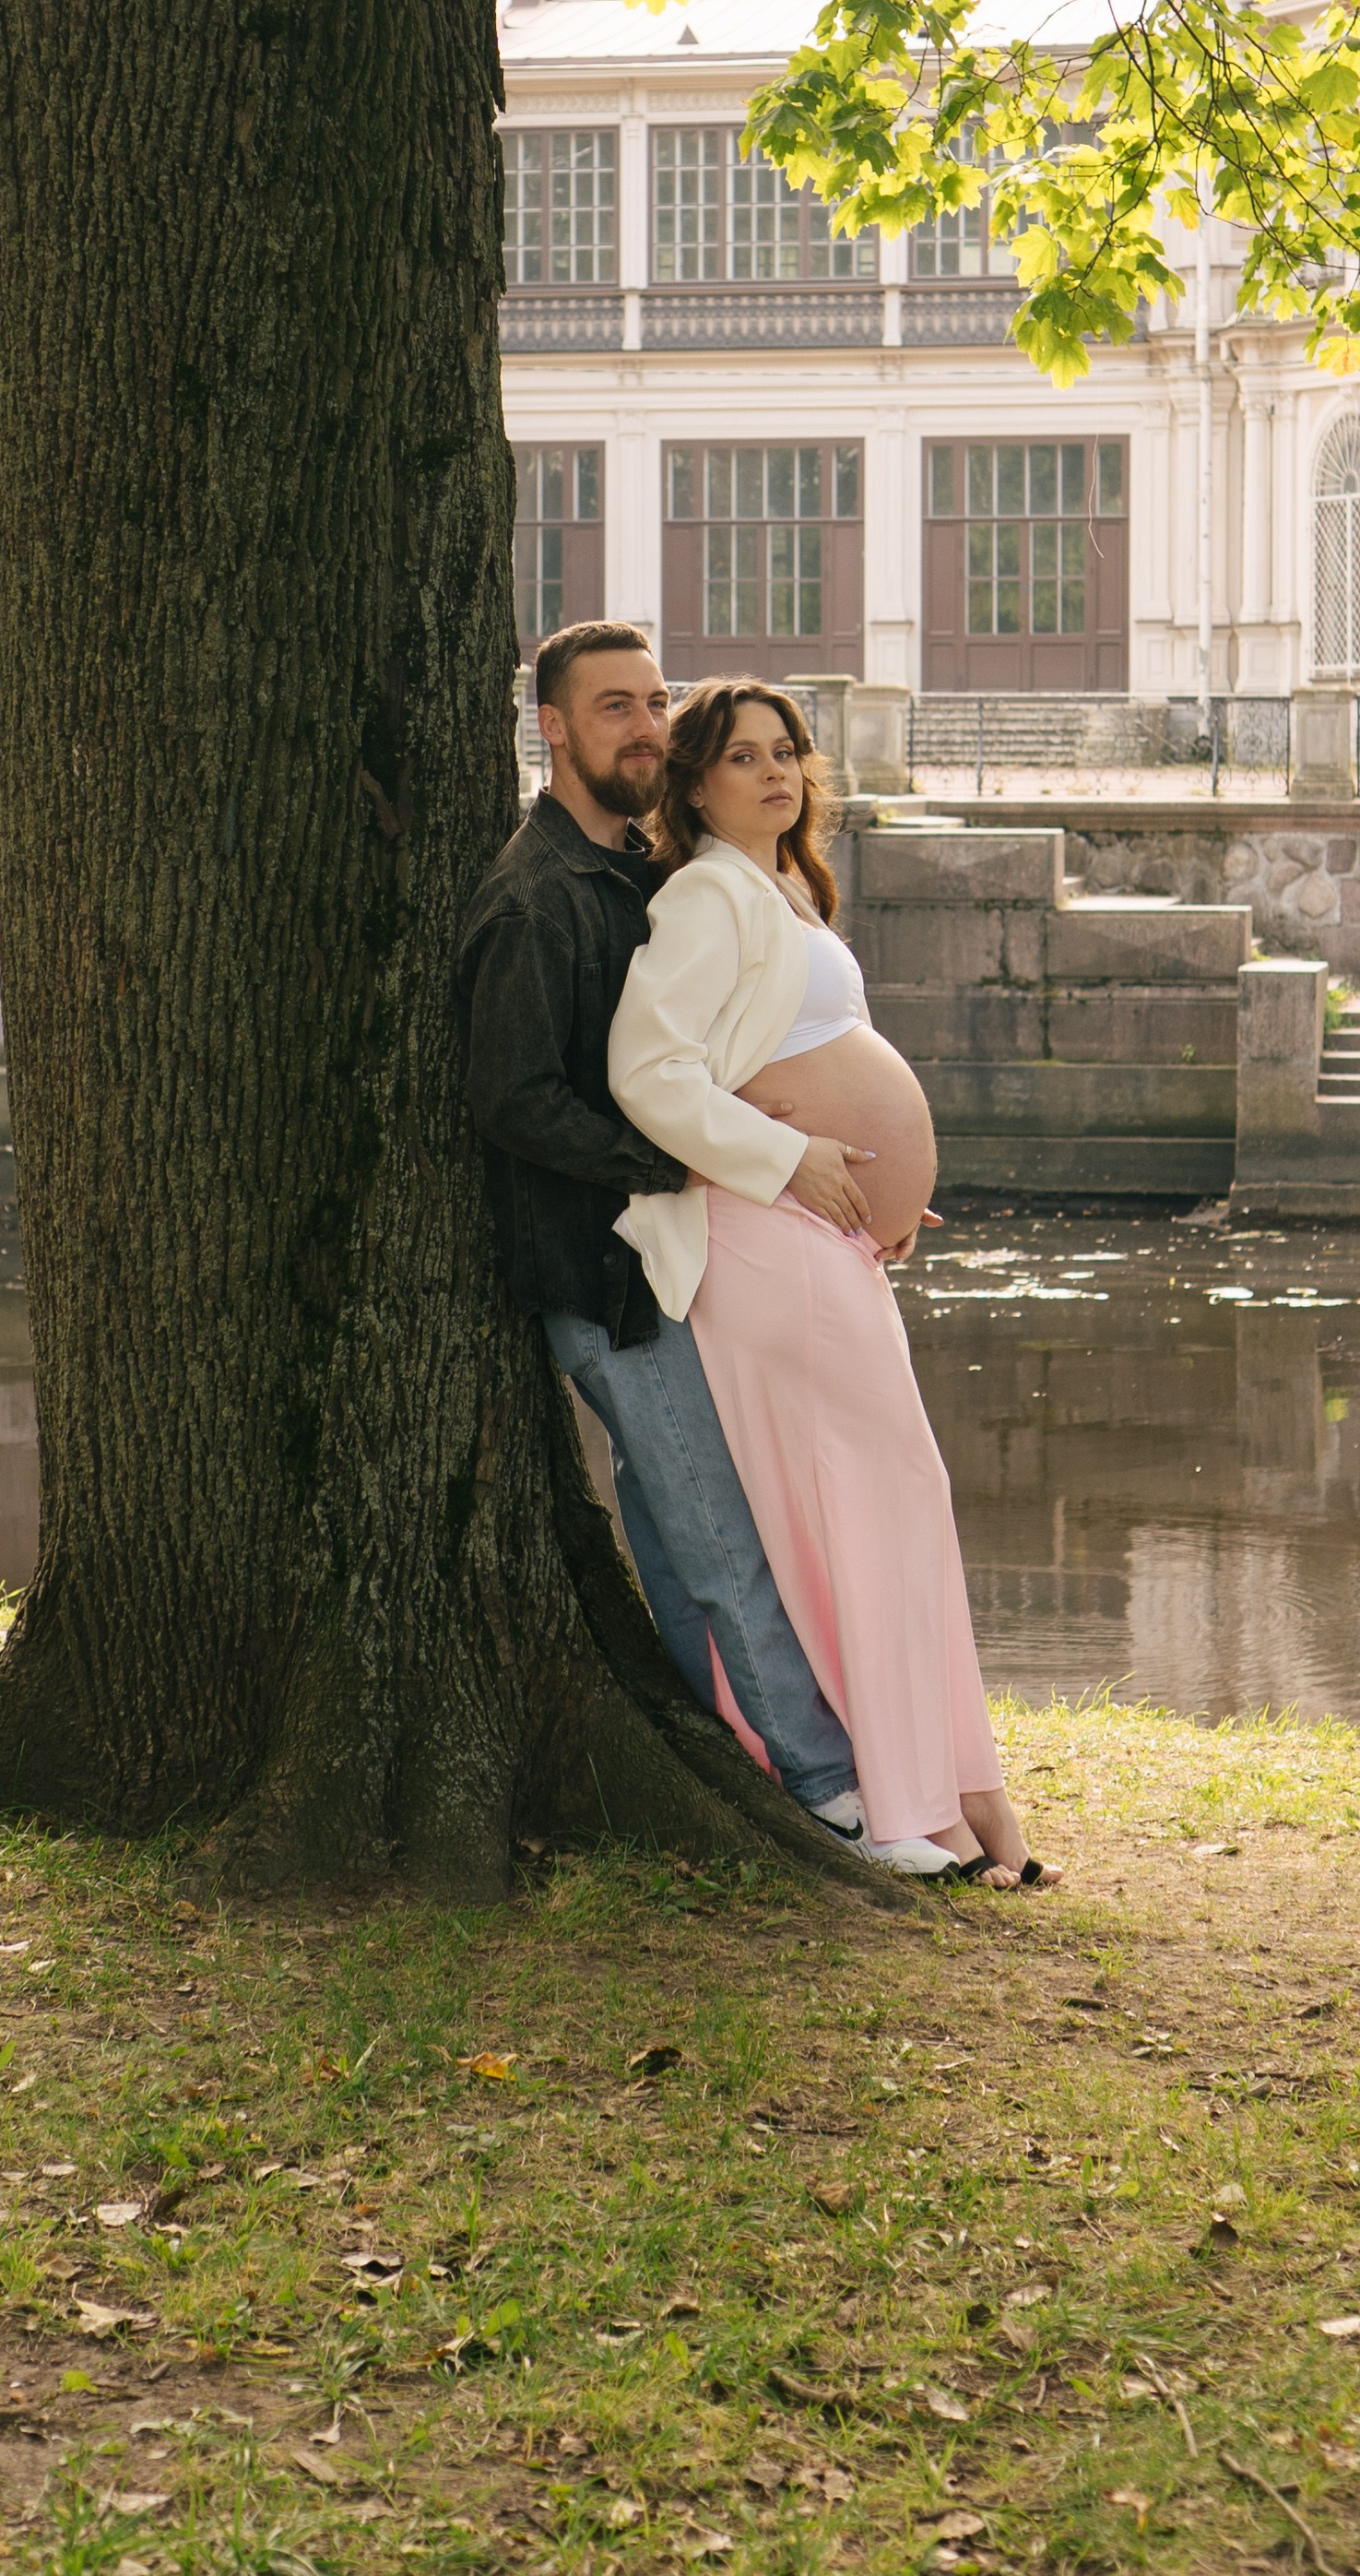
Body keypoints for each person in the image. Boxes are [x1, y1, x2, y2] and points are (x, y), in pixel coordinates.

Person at [609, 679, 1056, 1888]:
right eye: (741, 756)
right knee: (861, 1502)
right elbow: (648, 1075)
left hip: (822, 1239)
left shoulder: (781, 894)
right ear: (694, 783)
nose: (773, 772)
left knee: (890, 1496)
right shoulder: (703, 897)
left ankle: (962, 1802)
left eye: (786, 751)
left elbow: (794, 1058)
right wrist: (796, 1156)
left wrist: (887, 1187)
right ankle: (904, 1799)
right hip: (759, 1236)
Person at [455, 620, 867, 1846]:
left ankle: (731, 1749)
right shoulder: (534, 899)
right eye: (613, 707)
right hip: (602, 1274)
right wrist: (684, 1152)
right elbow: (513, 1099)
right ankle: (826, 1792)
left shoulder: (644, 873)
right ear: (552, 729)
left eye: (653, 701)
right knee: (717, 1534)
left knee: (679, 1525)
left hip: (676, 1254)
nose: (644, 725)